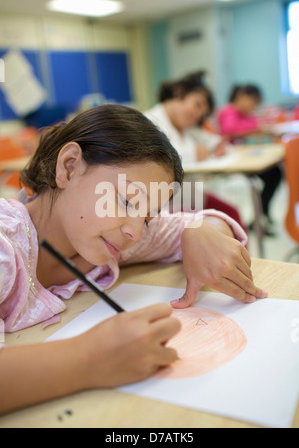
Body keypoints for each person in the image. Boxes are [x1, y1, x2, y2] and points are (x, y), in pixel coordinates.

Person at [0, 104, 266, 415]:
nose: (135, 233)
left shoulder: (110, 237)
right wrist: (88, 357)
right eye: (127, 201)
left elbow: (191, 224)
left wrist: (198, 230)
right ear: (70, 167)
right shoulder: (7, 247)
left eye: (147, 219)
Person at [144, 71, 245, 229]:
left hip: (189, 197)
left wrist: (217, 148)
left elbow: (214, 143)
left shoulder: (188, 129)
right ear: (179, 93)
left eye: (201, 115)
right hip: (166, 206)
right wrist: (195, 153)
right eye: (197, 104)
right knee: (223, 225)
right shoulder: (148, 122)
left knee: (233, 215)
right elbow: (159, 163)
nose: (196, 115)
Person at [217, 84, 283, 233]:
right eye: (252, 102)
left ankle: (262, 214)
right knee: (272, 175)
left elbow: (255, 126)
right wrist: (255, 129)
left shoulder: (246, 114)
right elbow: (230, 129)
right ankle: (260, 215)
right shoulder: (228, 111)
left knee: (275, 173)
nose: (253, 106)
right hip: (232, 159)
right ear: (241, 95)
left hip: (244, 156)